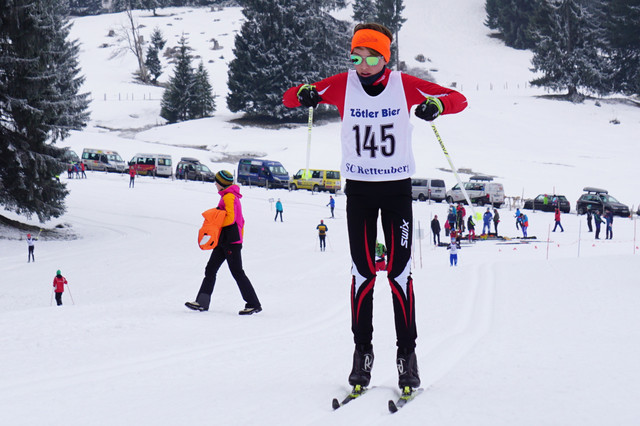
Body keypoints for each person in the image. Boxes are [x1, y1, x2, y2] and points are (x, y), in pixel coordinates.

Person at [283, 22, 467, 394]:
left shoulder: (404, 85)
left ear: (386, 57)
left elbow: (458, 100)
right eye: (356, 57)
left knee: (399, 275)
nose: (362, 65)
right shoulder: (341, 85)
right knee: (363, 274)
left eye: (371, 57)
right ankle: (362, 353)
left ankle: (406, 357)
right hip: (360, 193)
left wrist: (436, 104)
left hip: (397, 192)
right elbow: (290, 98)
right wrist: (304, 94)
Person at [185, 170, 262, 315]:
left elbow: (230, 219)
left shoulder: (229, 197)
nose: (215, 184)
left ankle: (253, 304)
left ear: (221, 184)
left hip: (231, 241)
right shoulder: (228, 196)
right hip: (224, 240)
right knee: (210, 269)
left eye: (216, 182)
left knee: (237, 272)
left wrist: (215, 218)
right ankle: (202, 302)